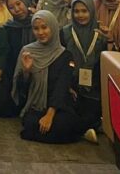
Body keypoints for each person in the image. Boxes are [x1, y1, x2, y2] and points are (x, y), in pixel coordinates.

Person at [13, 10, 97, 144]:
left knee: (61, 124)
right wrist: (27, 71)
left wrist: (49, 115)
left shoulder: (65, 55)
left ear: (53, 27)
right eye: (36, 28)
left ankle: (70, 131)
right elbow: (21, 90)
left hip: (59, 105)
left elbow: (61, 87)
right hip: (36, 105)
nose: (40, 32)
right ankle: (80, 132)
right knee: (30, 122)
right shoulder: (27, 52)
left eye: (44, 27)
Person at [61, 0, 107, 131]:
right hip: (71, 84)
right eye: (76, 11)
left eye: (84, 11)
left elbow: (106, 63)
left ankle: (85, 128)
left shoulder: (101, 32)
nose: (80, 15)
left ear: (91, 11)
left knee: (91, 112)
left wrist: (109, 40)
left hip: (94, 87)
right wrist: (67, 86)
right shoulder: (65, 33)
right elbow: (62, 62)